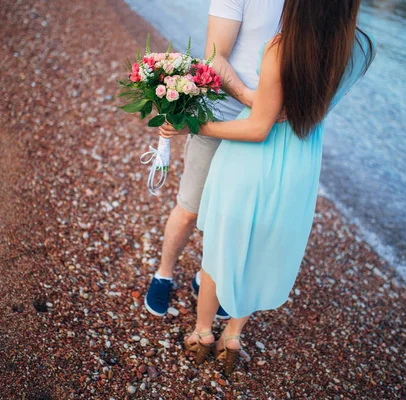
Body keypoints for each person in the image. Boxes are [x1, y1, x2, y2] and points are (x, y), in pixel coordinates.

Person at [160, 0, 376, 375]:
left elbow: (258, 128)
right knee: (259, 249)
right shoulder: (360, 49)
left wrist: (192, 126)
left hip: (250, 161)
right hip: (301, 163)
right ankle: (232, 337)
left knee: (221, 247)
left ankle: (201, 334)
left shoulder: (283, 47)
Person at [144, 0, 284, 318]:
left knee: (233, 217)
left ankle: (205, 279)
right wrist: (255, 100)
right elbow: (214, 56)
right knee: (190, 208)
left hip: (269, 131)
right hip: (220, 114)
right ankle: (164, 273)